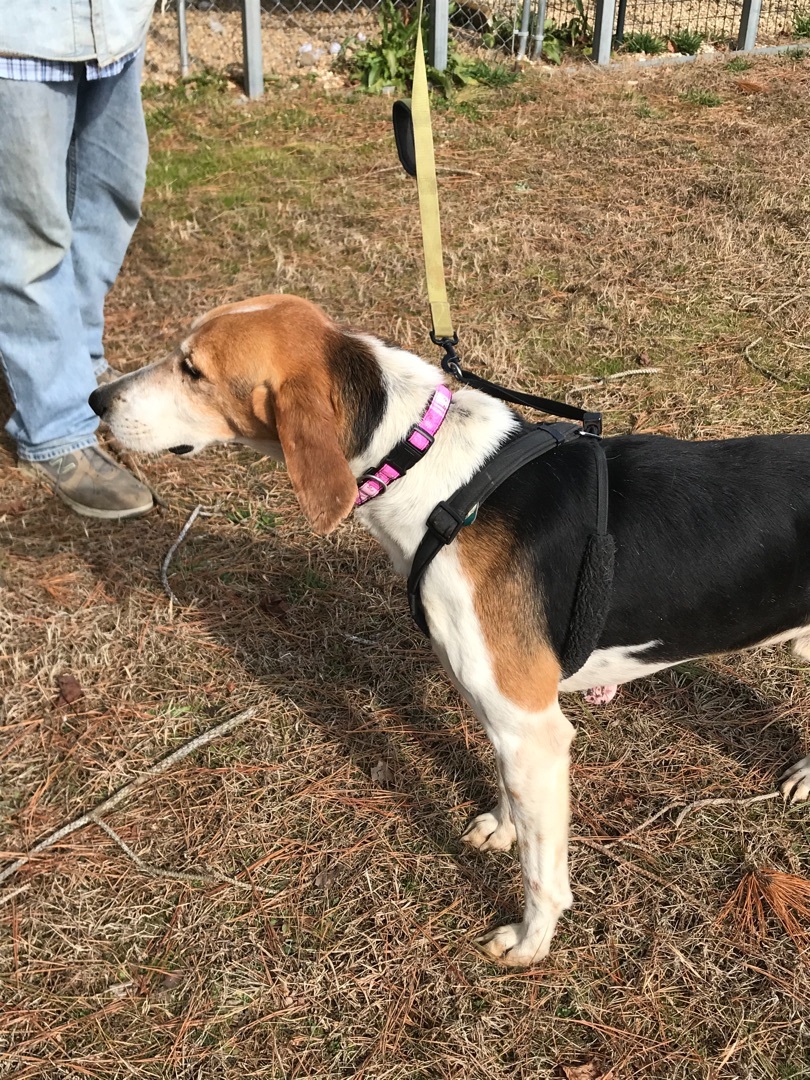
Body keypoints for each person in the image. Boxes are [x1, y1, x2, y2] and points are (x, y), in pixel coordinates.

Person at [0, 1, 157, 519]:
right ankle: (56, 425)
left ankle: (79, 361)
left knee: (110, 194)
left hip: (112, 24)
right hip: (19, 35)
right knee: (29, 235)